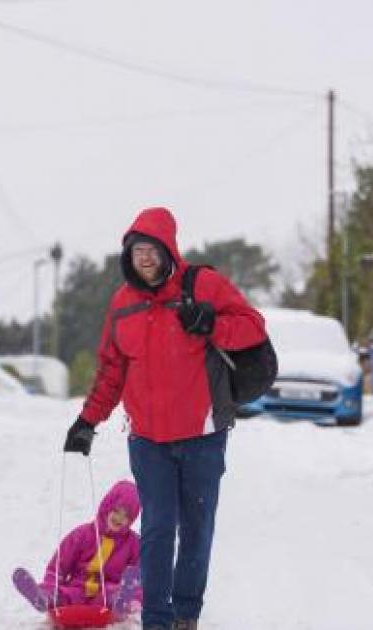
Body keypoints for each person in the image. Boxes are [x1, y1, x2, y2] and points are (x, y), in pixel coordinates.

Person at [63, 206, 267, 630]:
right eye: (137, 250)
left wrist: (211, 322)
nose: (144, 257)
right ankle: (156, 621)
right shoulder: (122, 304)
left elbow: (253, 325)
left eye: (152, 248)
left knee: (196, 528)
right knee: (157, 529)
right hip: (148, 440)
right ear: (128, 255)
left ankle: (186, 614)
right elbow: (111, 370)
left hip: (202, 436)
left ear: (168, 249)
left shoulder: (202, 285)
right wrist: (88, 421)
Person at [14, 479, 143, 614]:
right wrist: (51, 584)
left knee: (119, 592)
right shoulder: (83, 535)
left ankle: (123, 602)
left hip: (106, 593)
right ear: (107, 506)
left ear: (132, 519)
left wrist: (136, 597)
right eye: (116, 511)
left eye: (126, 516)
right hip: (77, 589)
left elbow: (140, 574)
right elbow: (59, 565)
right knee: (62, 595)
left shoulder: (133, 543)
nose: (119, 518)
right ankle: (43, 598)